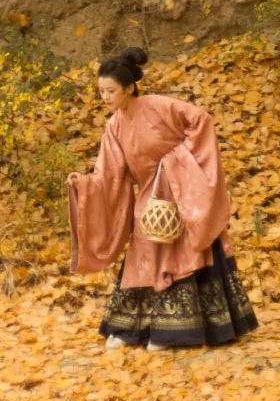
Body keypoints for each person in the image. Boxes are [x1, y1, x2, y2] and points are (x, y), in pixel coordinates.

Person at [67, 46, 258, 350]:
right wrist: (85, 184)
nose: (105, 97)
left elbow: (201, 121)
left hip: (181, 191)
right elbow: (110, 174)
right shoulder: (114, 125)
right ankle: (133, 329)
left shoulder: (159, 106)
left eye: (111, 90)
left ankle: (180, 332)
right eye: (101, 91)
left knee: (183, 250)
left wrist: (177, 162)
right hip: (148, 197)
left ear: (129, 88)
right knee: (144, 247)